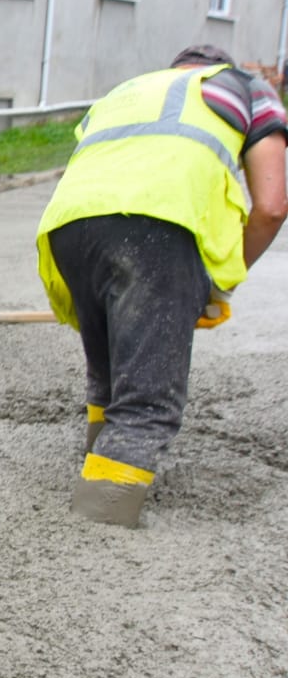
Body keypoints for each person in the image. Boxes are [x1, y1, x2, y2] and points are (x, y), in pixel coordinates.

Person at [35, 45, 286, 528]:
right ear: (217, 65)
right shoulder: (243, 86)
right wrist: (218, 284)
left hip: (68, 227)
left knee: (110, 372)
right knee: (148, 402)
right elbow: (273, 205)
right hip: (158, 223)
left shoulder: (127, 92)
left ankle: (96, 468)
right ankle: (100, 520)